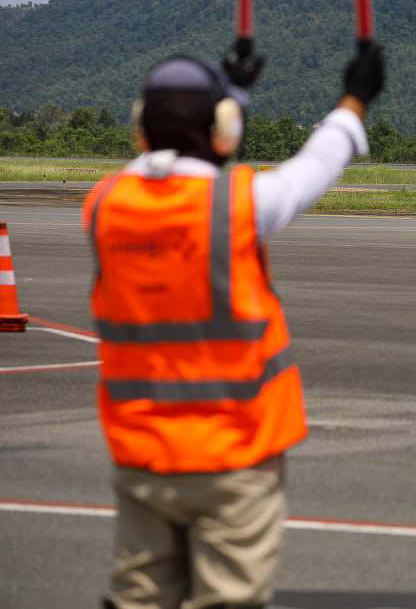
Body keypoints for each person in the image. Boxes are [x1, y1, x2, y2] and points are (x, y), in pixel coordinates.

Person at [84, 36, 384, 609]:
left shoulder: (104, 205)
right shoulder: (241, 205)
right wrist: (354, 100)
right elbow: (316, 164)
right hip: (234, 454)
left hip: (142, 454)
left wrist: (233, 94)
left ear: (140, 128)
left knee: (137, 598)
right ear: (222, 131)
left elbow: (169, 160)